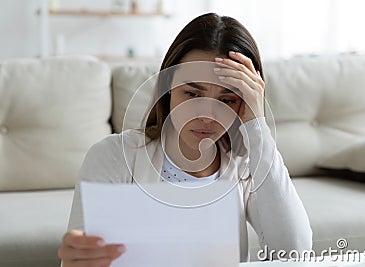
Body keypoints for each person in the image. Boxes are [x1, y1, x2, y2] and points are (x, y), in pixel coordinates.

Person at [58, 13, 312, 266]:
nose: (207, 116)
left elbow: (294, 252)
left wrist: (257, 125)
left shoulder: (245, 166)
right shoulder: (112, 156)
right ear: (167, 90)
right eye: (191, 93)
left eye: (227, 101)